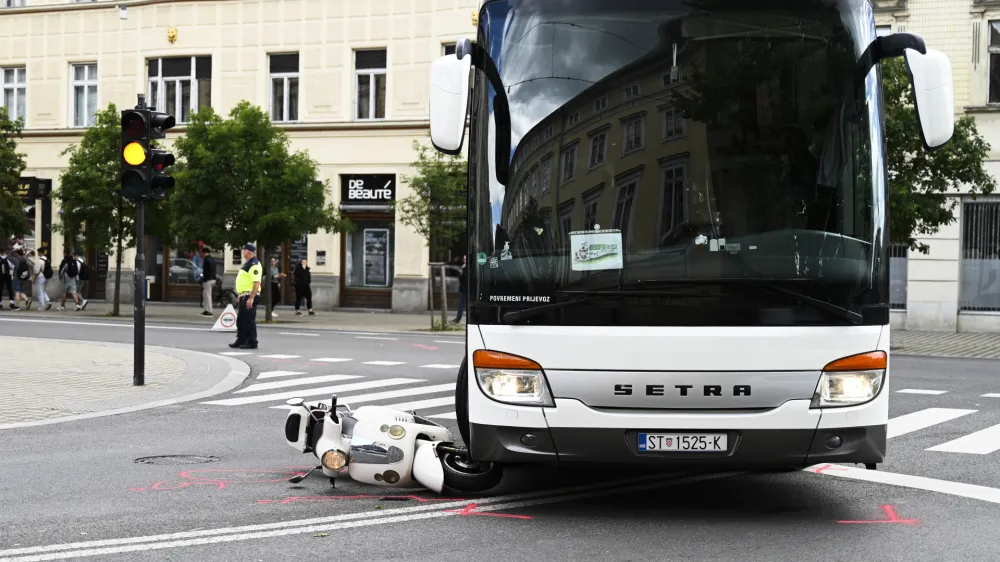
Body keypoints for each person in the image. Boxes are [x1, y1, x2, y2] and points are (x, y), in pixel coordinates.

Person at [230, 243, 262, 349]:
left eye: (244, 250)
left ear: (249, 252)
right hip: (245, 294)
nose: (243, 252)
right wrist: (241, 294)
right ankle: (241, 339)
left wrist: (251, 298)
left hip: (250, 295)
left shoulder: (254, 265)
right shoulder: (247, 263)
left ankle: (252, 341)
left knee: (249, 319)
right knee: (241, 320)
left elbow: (256, 283)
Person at [199, 247, 217, 317]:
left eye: (202, 253)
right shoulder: (212, 260)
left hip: (208, 280)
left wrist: (204, 280)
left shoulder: (207, 260)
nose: (202, 254)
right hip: (213, 279)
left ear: (204, 252)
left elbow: (207, 272)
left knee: (207, 296)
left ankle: (209, 311)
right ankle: (206, 310)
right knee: (206, 295)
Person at [452, 255, 467, 324]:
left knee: (463, 305)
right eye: (464, 259)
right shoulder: (463, 267)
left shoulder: (466, 268)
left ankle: (458, 319)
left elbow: (463, 278)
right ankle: (458, 318)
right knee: (461, 305)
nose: (464, 260)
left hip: (466, 289)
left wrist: (460, 273)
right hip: (463, 289)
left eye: (466, 259)